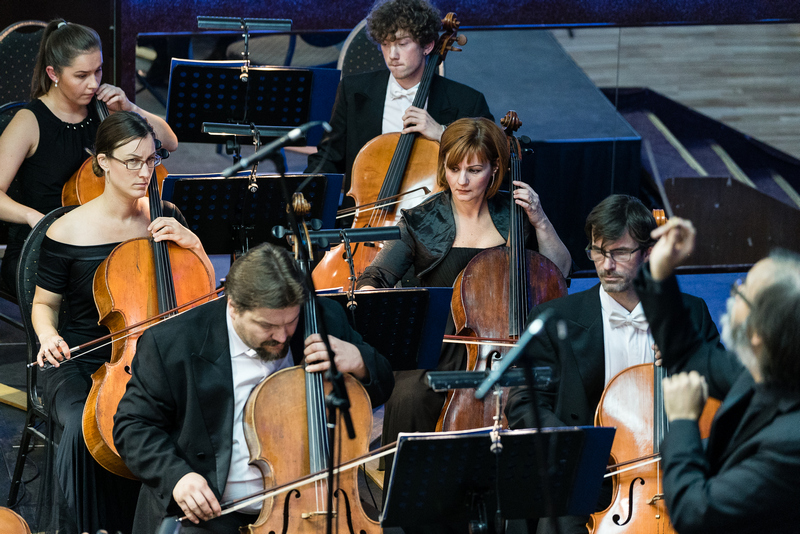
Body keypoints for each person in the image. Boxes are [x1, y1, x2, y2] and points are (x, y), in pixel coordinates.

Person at [357, 117, 570, 506]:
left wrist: (540, 220)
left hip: (507, 343)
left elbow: (559, 271)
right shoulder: (422, 219)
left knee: (550, 393)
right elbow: (377, 276)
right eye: (454, 169)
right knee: (410, 396)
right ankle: (411, 502)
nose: (463, 181)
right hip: (440, 347)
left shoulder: (516, 215)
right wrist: (371, 293)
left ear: (495, 169)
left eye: (474, 170)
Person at [114, 242, 395, 533]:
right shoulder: (172, 343)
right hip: (212, 513)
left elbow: (382, 385)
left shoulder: (322, 318)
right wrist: (179, 478)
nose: (283, 336)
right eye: (267, 326)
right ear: (233, 306)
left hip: (309, 507)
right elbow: (132, 426)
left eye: (291, 321)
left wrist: (361, 361)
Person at [32, 111, 210, 534]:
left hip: (153, 358)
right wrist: (48, 335)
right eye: (132, 161)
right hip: (79, 361)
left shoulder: (165, 214)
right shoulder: (67, 230)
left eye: (150, 160)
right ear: (103, 161)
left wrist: (195, 243)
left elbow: (202, 294)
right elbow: (44, 305)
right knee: (83, 429)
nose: (144, 171)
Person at [504, 194, 722, 534]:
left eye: (619, 253)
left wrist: (691, 363)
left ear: (648, 253)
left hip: (673, 471)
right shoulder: (553, 318)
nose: (605, 265)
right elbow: (522, 403)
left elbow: (724, 392)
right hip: (584, 474)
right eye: (597, 251)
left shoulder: (688, 313)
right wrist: (578, 445)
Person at [634, 218, 800, 534]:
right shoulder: (768, 368)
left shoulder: (792, 444)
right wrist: (661, 272)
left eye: (741, 290)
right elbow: (690, 355)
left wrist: (682, 420)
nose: (733, 292)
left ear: (757, 333)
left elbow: (695, 514)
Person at [0, 18, 178, 294]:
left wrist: (130, 108)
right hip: (46, 248)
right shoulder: (29, 121)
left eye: (98, 71)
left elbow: (169, 142)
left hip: (105, 241)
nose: (94, 83)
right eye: (81, 76)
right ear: (53, 73)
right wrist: (32, 216)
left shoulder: (104, 111)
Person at [305, 0, 493, 196]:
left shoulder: (467, 101)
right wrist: (302, 193)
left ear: (427, 46)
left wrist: (442, 134)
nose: (392, 55)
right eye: (386, 44)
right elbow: (328, 157)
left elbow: (490, 161)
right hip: (363, 218)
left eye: (403, 44)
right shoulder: (353, 91)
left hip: (436, 221)